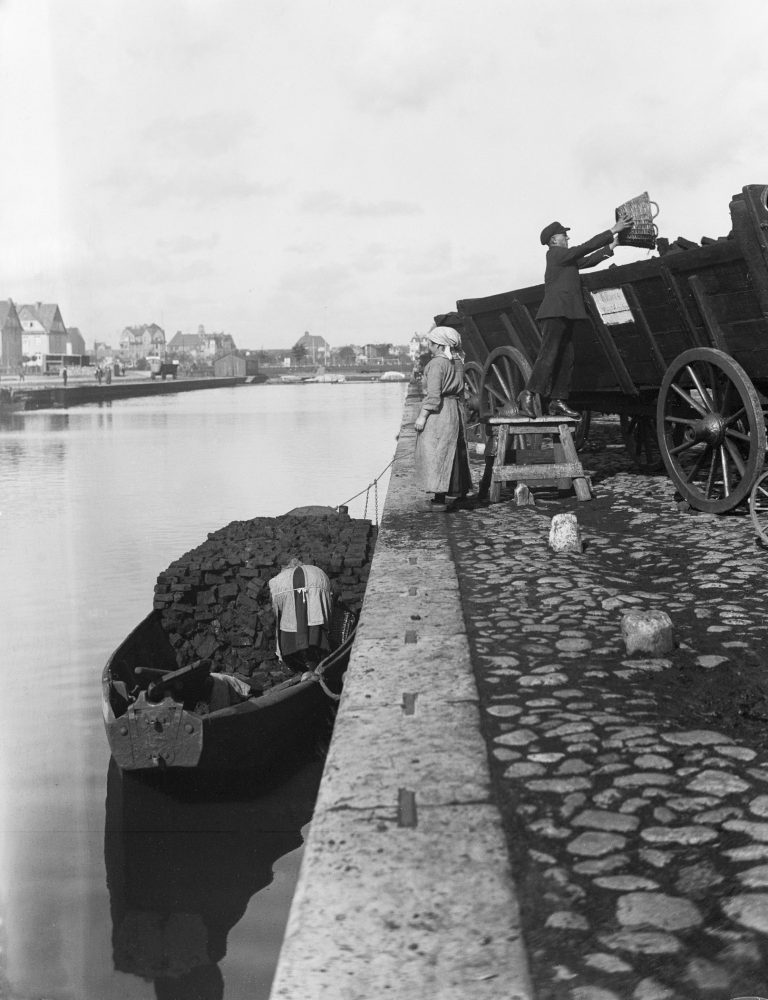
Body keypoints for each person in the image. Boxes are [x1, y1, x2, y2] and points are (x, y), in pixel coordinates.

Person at [518, 213, 633, 419]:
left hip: (566, 313)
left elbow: (588, 260)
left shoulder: (566, 260)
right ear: (554, 240)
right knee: (550, 354)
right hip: (555, 313)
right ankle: (528, 393)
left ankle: (558, 401)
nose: (567, 238)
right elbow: (584, 248)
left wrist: (612, 246)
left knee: (567, 358)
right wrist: (612, 230)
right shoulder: (554, 255)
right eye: (564, 235)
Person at [413, 326, 473, 509]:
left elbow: (433, 397)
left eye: (431, 343)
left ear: (439, 345)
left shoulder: (437, 364)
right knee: (456, 450)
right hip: (455, 409)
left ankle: (439, 499)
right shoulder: (458, 362)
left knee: (436, 452)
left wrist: (422, 417)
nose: (429, 346)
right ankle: (459, 493)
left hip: (440, 413)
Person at [268, 558, 334, 671]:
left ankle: (305, 666)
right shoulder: (318, 572)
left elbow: (277, 609)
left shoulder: (278, 580)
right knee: (314, 630)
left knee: (294, 629)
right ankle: (315, 663)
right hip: (316, 595)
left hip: (289, 597)